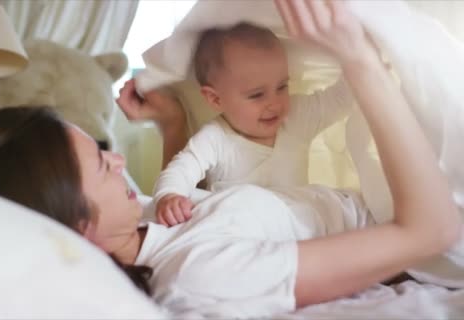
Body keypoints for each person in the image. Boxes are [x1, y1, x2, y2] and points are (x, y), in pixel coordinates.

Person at [0, 0, 461, 318]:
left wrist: (170, 125)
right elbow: (431, 231)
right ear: (76, 224)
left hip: (347, 205)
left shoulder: (135, 225)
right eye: (100, 164)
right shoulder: (201, 276)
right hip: (404, 228)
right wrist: (359, 59)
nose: (118, 162)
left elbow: (181, 205)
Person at [150, 22, 354, 227]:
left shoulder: (296, 116)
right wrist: (170, 195)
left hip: (296, 230)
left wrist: (354, 55)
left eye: (282, 86)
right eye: (257, 95)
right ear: (215, 99)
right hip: (239, 230)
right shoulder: (215, 137)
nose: (274, 103)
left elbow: (340, 99)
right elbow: (181, 169)